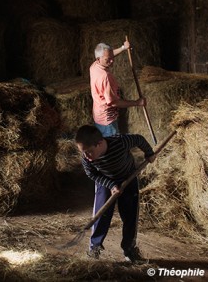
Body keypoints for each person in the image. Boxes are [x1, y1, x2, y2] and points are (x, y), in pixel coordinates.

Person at [75, 125, 156, 263]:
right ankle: (94, 248)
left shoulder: (120, 142)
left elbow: (139, 139)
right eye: (83, 153)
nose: (86, 157)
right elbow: (91, 174)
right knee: (101, 214)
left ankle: (129, 250)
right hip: (105, 181)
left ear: (99, 144)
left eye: (89, 152)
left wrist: (149, 153)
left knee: (130, 214)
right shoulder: (86, 158)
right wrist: (111, 185)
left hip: (128, 178)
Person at [90, 41, 146, 137]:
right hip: (108, 121)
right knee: (115, 147)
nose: (112, 61)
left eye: (112, 58)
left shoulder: (94, 66)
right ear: (98, 59)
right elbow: (113, 102)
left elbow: (109, 55)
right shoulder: (105, 77)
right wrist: (137, 103)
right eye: (108, 59)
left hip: (98, 116)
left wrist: (123, 47)